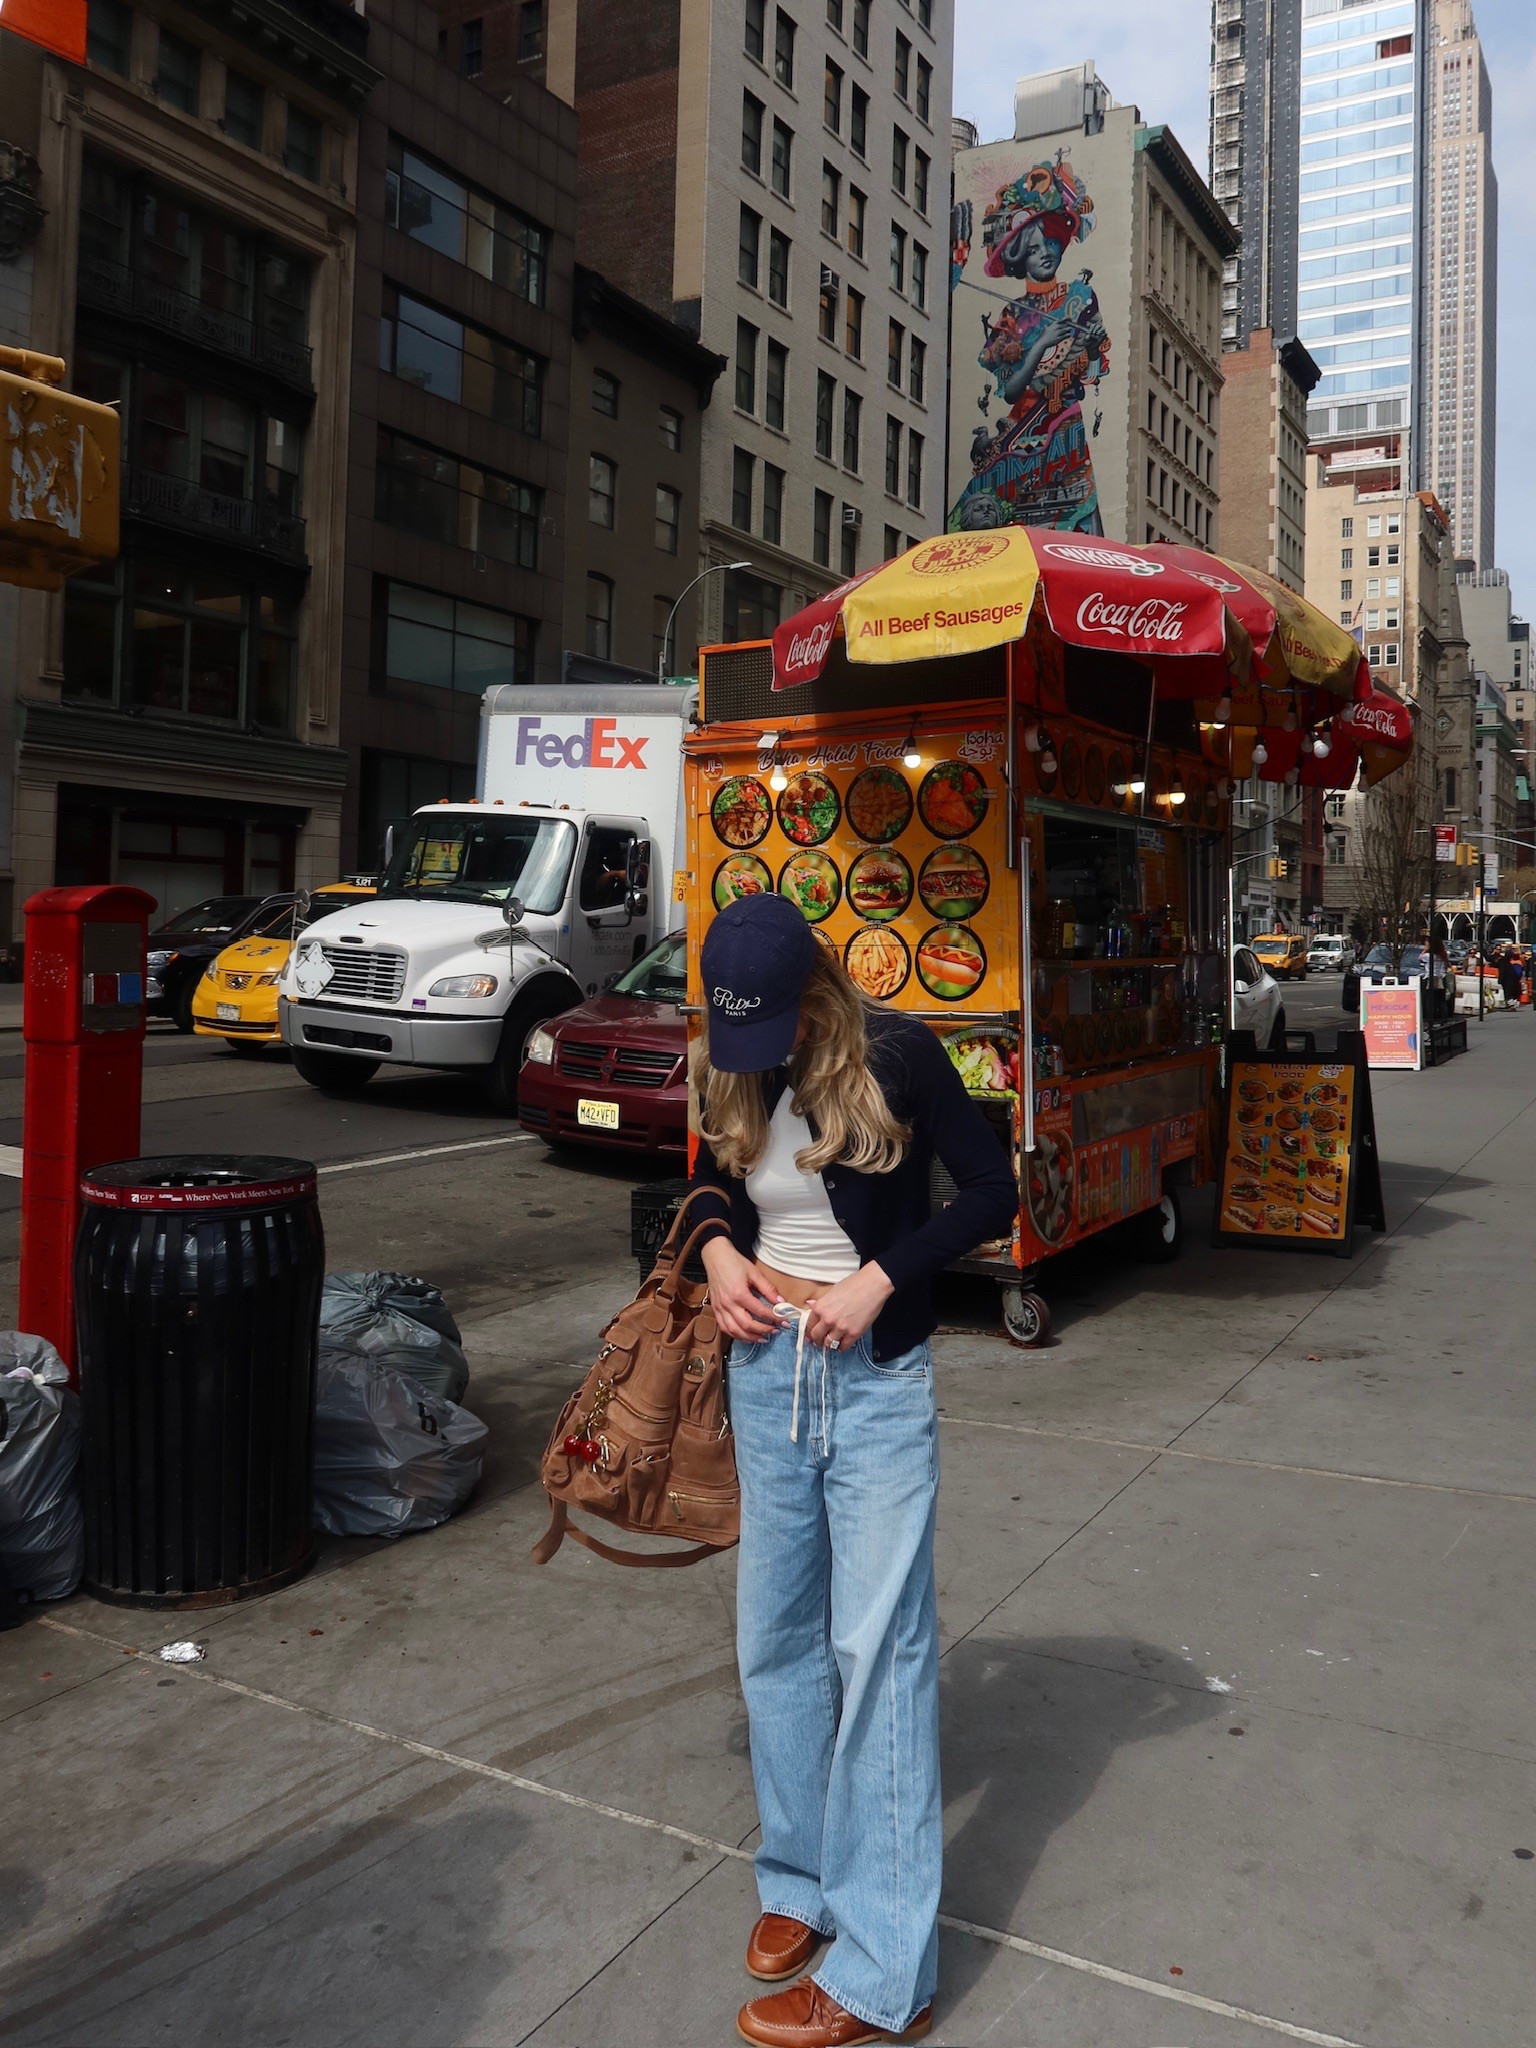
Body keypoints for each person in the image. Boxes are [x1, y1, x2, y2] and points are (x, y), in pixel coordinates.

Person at [689, 894, 1016, 2048]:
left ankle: (885, 1971)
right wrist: (721, 1251)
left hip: (873, 1385)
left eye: (769, 1033)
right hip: (764, 1373)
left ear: (814, 998)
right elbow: (708, 1183)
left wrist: (883, 1275)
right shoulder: (730, 1060)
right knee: (774, 1635)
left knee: (878, 1651)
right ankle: (802, 1879)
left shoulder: (899, 1054)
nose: (753, 1060)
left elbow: (992, 1189)